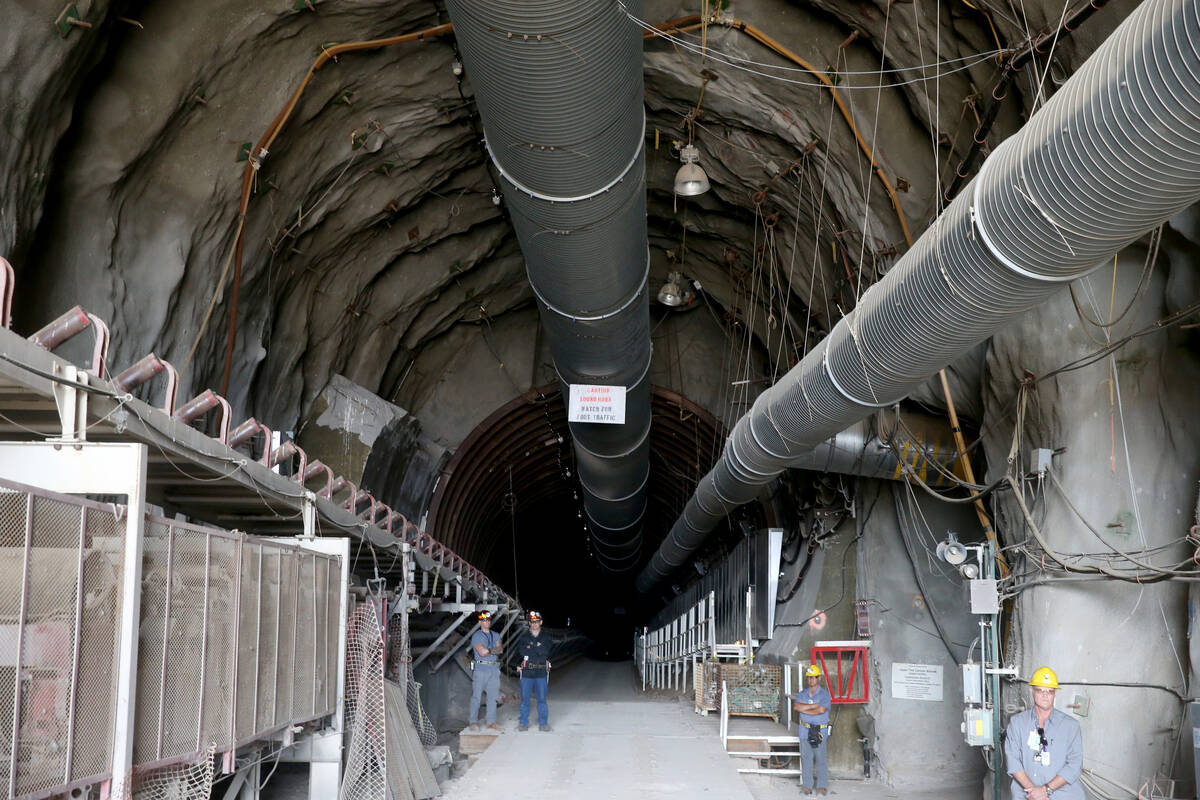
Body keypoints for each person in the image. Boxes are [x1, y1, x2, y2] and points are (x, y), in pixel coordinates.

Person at [1004, 667, 1083, 799]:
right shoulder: (1017, 723)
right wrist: (1034, 792)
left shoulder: (1071, 726)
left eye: (1050, 691)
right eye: (1041, 690)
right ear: (1032, 691)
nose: (1045, 695)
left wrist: (1046, 790)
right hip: (1026, 794)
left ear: (1055, 693)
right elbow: (1013, 760)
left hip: (1061, 794)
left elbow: (1075, 764)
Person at [793, 663, 832, 796]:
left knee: (820, 758)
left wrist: (806, 708)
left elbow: (822, 710)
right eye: (809, 677)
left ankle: (821, 786)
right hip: (805, 729)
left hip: (820, 730)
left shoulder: (825, 695)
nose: (811, 680)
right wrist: (813, 706)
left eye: (813, 677)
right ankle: (807, 785)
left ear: (819, 678)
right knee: (806, 758)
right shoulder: (803, 693)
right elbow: (797, 707)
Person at [515, 610, 553, 731]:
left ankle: (543, 723)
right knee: (525, 699)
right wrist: (537, 648)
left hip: (541, 672)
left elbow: (545, 652)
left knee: (541, 699)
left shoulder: (546, 637)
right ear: (529, 623)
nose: (534, 624)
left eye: (536, 621)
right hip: (527, 672)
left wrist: (531, 647)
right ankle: (523, 722)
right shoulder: (524, 638)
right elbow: (522, 651)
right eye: (532, 622)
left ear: (540, 622)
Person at [467, 610, 503, 732]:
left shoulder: (496, 634)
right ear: (480, 622)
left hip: (494, 669)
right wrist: (493, 650)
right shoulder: (477, 636)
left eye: (488, 620)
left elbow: (500, 650)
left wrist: (489, 650)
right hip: (480, 670)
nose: (486, 622)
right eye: (483, 620)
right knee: (476, 697)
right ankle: (473, 722)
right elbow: (482, 653)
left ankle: (491, 722)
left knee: (493, 697)